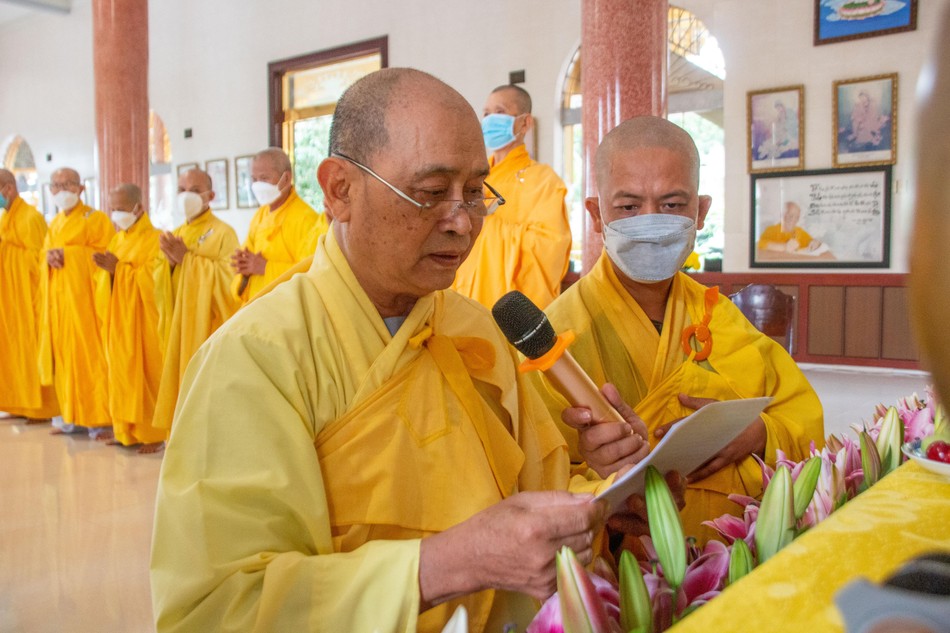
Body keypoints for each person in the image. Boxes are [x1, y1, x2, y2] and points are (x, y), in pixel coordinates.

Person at [152, 68, 620, 633]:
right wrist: (449, 565)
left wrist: (611, 498)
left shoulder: (474, 330)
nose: (462, 223)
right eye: (431, 193)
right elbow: (219, 607)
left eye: (475, 193)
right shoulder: (255, 358)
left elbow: (537, 493)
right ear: (340, 190)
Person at [531, 116, 825, 545]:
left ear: (700, 212)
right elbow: (532, 477)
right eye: (629, 207)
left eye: (671, 205)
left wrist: (758, 433)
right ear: (596, 214)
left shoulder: (717, 315)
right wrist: (601, 477)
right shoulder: (557, 336)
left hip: (737, 550)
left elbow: (801, 416)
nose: (650, 222)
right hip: (625, 565)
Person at [451, 84, 572, 310]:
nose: (490, 120)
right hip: (464, 304)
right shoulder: (472, 181)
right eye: (486, 113)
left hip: (513, 313)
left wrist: (485, 223)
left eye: (500, 112)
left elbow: (549, 252)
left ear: (525, 123)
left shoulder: (543, 181)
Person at [152, 168, 240, 435]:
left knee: (207, 389)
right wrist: (169, 265)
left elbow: (231, 281)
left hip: (207, 326)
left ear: (210, 195)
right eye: (181, 190)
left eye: (194, 190)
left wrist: (187, 260)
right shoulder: (176, 233)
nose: (186, 196)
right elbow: (158, 282)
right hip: (180, 325)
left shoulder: (223, 232)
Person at [92, 183, 170, 452]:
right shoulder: (117, 240)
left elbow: (157, 280)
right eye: (112, 208)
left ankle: (153, 435)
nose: (116, 214)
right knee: (120, 375)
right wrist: (109, 273)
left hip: (144, 322)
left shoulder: (156, 238)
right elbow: (104, 280)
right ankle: (124, 431)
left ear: (139, 207)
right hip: (119, 321)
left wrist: (121, 271)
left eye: (121, 208)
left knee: (147, 376)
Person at [38, 167, 115, 438]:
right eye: (56, 185)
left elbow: (106, 256)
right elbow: (44, 254)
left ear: (81, 188)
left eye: (68, 184)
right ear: (50, 190)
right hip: (61, 304)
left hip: (87, 304)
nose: (62, 190)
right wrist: (48, 259)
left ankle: (100, 420)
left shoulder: (95, 219)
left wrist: (69, 255)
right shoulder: (55, 223)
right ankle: (69, 419)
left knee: (91, 358)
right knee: (64, 360)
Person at [0, 169, 60, 422]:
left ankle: (41, 408)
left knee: (33, 351)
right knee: (12, 351)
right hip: (11, 299)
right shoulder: (6, 218)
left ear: (9, 188)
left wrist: (7, 250)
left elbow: (39, 259)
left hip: (30, 298)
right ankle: (19, 404)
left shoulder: (31, 217)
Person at [230, 147, 326, 304]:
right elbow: (247, 263)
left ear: (286, 178)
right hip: (257, 305)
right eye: (254, 179)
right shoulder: (260, 215)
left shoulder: (306, 218)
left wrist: (266, 268)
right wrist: (244, 270)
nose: (257, 185)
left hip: (285, 309)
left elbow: (311, 274)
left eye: (264, 178)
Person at [757, 201, 825, 254]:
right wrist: (784, 247)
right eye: (791, 215)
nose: (793, 220)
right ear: (783, 215)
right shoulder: (772, 229)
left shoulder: (799, 231)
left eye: (797, 217)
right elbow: (759, 244)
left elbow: (811, 241)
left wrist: (815, 243)